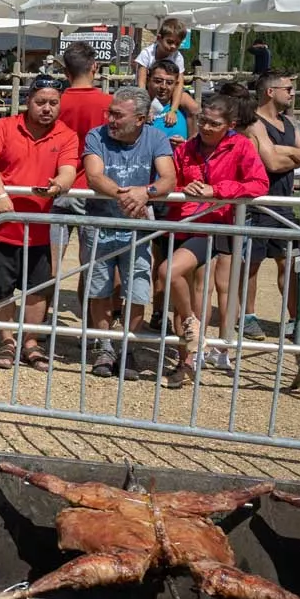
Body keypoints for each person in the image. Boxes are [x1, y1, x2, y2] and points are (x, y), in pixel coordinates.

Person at [159, 94, 270, 386]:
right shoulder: (186, 148)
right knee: (183, 292)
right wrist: (186, 187)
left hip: (214, 225)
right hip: (182, 222)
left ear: (230, 125)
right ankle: (188, 355)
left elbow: (259, 184)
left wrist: (217, 189)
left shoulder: (241, 146)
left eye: (214, 123)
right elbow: (175, 181)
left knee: (176, 275)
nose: (206, 127)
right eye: (203, 121)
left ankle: (193, 332)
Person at [0, 78, 79, 369]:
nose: (47, 108)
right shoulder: (5, 126)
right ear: (28, 101)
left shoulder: (66, 134)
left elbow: (69, 170)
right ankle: (7, 341)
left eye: (53, 103)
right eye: (41, 102)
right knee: (0, 288)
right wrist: (0, 196)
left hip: (40, 226)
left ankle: (31, 342)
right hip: (2, 223)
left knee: (38, 288)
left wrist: (58, 185)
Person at [82, 86, 176, 379]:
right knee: (99, 289)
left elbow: (169, 178)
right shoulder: (95, 136)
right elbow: (94, 175)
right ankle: (105, 347)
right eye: (110, 113)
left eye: (118, 115)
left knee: (137, 290)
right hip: (100, 225)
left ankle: (128, 347)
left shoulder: (156, 137)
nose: (110, 119)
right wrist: (126, 195)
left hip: (137, 229)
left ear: (140, 119)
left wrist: (145, 193)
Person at [244, 71, 300, 343]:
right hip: (259, 203)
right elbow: (270, 164)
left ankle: (295, 317)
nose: (292, 92)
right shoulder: (254, 122)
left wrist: (281, 152)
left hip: (284, 203)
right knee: (251, 263)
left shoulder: (289, 123)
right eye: (287, 88)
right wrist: (292, 157)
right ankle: (247, 316)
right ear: (270, 91)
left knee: (291, 261)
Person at [53, 41, 112, 282]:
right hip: (91, 187)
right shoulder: (109, 104)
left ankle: (43, 316)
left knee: (50, 263)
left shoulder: (53, 102)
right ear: (94, 67)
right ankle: (89, 316)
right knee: (92, 267)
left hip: (57, 181)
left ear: (66, 72)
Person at [134, 18, 198, 133]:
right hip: (148, 89)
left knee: (194, 107)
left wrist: (173, 110)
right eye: (170, 42)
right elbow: (141, 82)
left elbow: (179, 84)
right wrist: (146, 106)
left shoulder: (177, 57)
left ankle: (193, 139)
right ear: (159, 38)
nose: (173, 46)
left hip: (169, 88)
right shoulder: (147, 53)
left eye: (177, 43)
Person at [144, 59, 190, 145]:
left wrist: (184, 145)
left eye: (169, 83)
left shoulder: (185, 108)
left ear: (176, 85)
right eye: (158, 81)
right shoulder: (136, 108)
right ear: (148, 80)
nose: (163, 86)